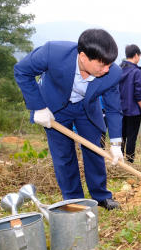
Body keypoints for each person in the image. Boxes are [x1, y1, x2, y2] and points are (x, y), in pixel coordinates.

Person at [14, 29, 124, 210]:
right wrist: (39, 107)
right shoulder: (53, 53)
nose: (107, 70)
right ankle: (75, 201)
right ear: (83, 57)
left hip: (87, 108)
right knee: (64, 156)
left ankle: (101, 196)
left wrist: (116, 143)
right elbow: (22, 71)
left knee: (94, 149)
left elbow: (113, 108)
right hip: (55, 108)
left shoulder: (112, 72)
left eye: (110, 64)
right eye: (102, 65)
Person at [119, 44, 141, 163]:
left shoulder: (118, 69)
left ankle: (120, 162)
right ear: (136, 55)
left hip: (119, 109)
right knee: (131, 137)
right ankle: (129, 162)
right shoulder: (136, 72)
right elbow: (139, 94)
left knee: (121, 135)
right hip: (133, 110)